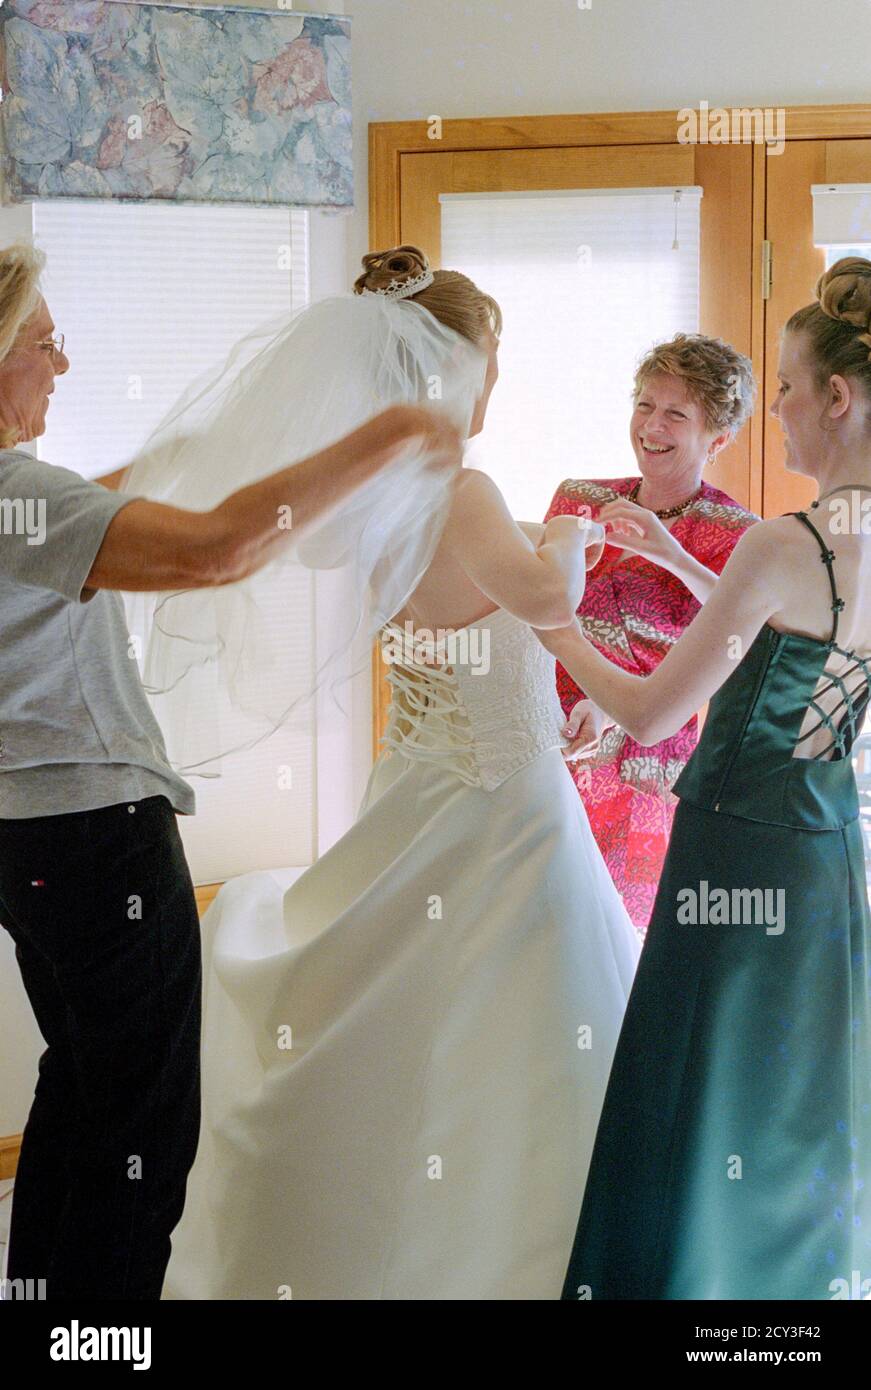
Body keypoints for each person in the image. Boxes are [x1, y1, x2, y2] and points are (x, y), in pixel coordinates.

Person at [160, 246, 641, 1302]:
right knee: (523, 1031)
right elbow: (539, 596)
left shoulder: (365, 495)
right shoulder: (462, 485)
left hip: (416, 790)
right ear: (453, 364)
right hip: (506, 806)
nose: (498, 377)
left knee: (404, 1016)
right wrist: (567, 533)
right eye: (491, 356)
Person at [0, 241, 463, 1300]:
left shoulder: (23, 500)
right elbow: (212, 552)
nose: (60, 364)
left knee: (81, 1089)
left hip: (25, 838)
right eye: (41, 343)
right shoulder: (15, 488)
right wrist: (390, 432)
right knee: (143, 1129)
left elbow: (69, 533)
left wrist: (179, 458)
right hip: (92, 834)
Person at [536, 257, 871, 1300]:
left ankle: (677, 1286)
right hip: (827, 838)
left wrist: (547, 622)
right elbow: (777, 641)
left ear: (837, 399)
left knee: (696, 1081)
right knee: (789, 1092)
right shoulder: (815, 549)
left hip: (734, 835)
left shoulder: (784, 542)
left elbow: (646, 712)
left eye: (782, 385)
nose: (771, 407)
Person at [544, 336, 759, 933]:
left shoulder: (738, 533)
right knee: (533, 911)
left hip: (642, 754)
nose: (651, 426)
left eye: (675, 414)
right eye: (645, 405)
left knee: (609, 925)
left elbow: (742, 630)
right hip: (548, 728)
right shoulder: (579, 499)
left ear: (716, 439)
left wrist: (671, 554)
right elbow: (538, 601)